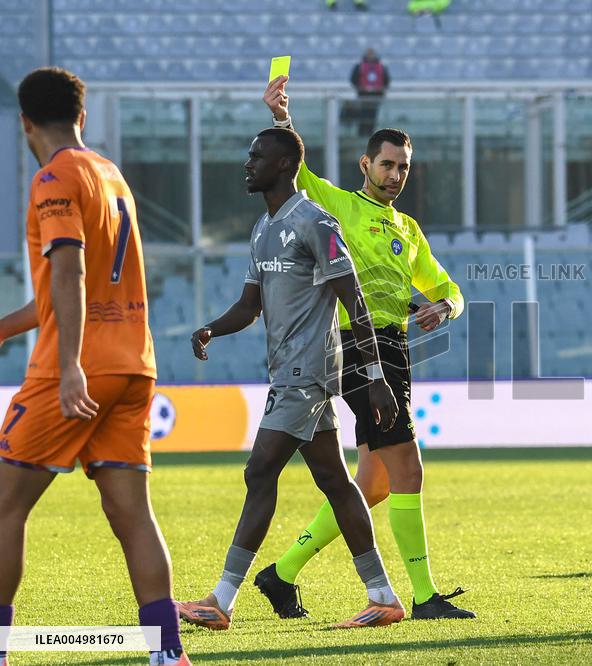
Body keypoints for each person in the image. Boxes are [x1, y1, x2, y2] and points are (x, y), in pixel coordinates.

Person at [259, 76, 475, 621]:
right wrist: (283, 117)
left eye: (403, 166)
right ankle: (423, 596)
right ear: (365, 164)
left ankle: (280, 573)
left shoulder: (408, 227)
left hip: (395, 348)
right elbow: (299, 171)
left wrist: (442, 308)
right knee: (408, 469)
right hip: (357, 344)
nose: (395, 174)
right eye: (386, 164)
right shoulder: (339, 206)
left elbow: (451, 289)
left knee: (374, 483)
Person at [176, 128, 406, 631]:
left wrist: (375, 376)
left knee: (260, 473)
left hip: (309, 372)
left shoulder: (316, 222)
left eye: (257, 156)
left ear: (284, 165)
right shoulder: (263, 228)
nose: (247, 163)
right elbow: (249, 306)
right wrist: (212, 328)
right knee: (338, 485)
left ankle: (221, 600)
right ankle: (383, 596)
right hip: (290, 374)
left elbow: (354, 299)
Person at [0, 67, 189, 666]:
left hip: (75, 366)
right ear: (83, 116)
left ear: (24, 123)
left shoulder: (54, 177)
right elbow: (58, 290)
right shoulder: (111, 175)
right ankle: (167, 652)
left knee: (4, 505)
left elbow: (71, 270)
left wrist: (72, 365)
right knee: (132, 512)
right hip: (134, 364)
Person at [350, 48, 390, 137]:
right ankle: (361, 134)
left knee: (372, 116)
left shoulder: (382, 67)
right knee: (362, 115)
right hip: (363, 96)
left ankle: (371, 134)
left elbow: (386, 81)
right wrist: (360, 88)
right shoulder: (359, 66)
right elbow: (353, 79)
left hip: (376, 96)